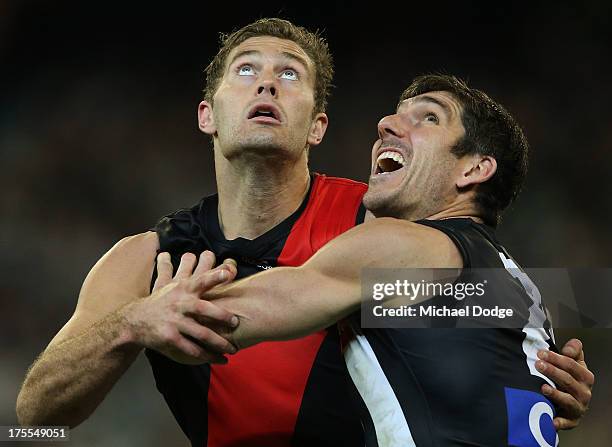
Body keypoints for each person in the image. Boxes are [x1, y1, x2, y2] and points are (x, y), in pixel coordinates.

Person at [16, 18, 592, 446]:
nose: (266, 85)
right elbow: (37, 420)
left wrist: (534, 376)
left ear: (317, 125)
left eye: (289, 74)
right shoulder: (144, 260)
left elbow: (484, 287)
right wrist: (131, 323)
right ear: (207, 114)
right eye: (246, 70)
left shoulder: (378, 221)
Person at [158, 74, 596, 446]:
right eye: (396, 114)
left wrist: (141, 313)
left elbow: (237, 314)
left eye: (428, 117)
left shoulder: (408, 247)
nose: (386, 124)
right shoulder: (518, 288)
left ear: (473, 170)